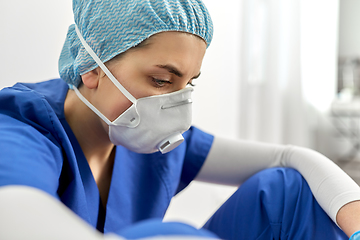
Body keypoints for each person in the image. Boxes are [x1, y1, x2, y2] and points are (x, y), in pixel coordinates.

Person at [1, 0, 360, 239]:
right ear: (93, 66)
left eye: (189, 84)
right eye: (161, 81)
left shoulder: (149, 139)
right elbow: (14, 212)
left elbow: (289, 158)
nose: (176, 104)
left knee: (288, 191)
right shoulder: (23, 127)